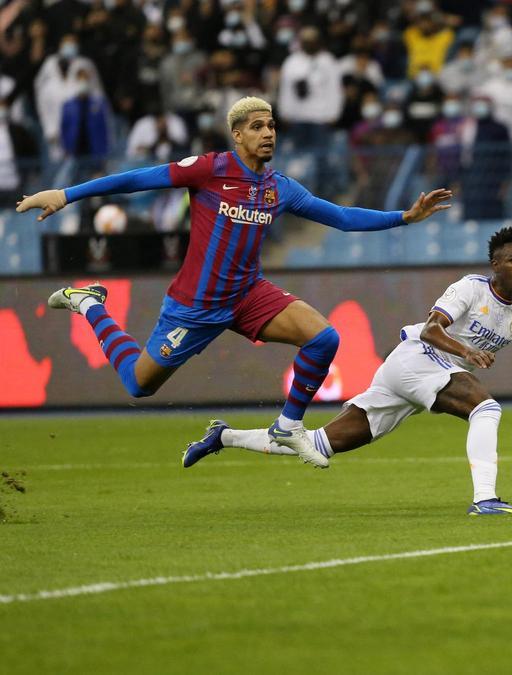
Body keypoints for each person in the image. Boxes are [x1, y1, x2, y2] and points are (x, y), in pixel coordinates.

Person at [16, 97, 452, 469]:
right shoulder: (208, 170)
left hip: (248, 295)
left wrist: (404, 217)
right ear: (237, 135)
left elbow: (340, 216)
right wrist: (67, 194)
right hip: (195, 306)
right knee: (138, 384)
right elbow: (136, 179)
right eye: (257, 126)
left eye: (272, 126)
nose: (268, 133)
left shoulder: (279, 188)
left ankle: (287, 428)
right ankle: (90, 302)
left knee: (323, 338)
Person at [182, 227, 512, 514]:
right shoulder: (468, 289)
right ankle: (486, 499)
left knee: (320, 445)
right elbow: (434, 331)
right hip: (419, 357)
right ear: (495, 264)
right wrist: (468, 353)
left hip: (421, 374)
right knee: (486, 408)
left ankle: (224, 436)